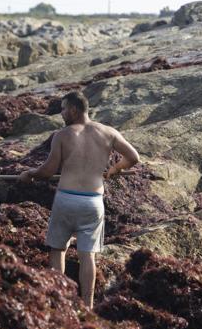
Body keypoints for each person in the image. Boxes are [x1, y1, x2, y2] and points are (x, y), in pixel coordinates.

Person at [17, 91, 139, 309]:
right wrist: (114, 168)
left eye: (63, 109)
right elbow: (133, 157)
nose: (62, 113)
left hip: (66, 199)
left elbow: (48, 170)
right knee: (87, 255)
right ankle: (88, 305)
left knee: (58, 249)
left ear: (74, 109)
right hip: (93, 201)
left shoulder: (63, 135)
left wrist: (30, 174)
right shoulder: (108, 132)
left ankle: (58, 302)